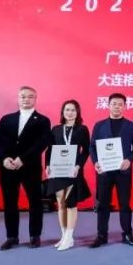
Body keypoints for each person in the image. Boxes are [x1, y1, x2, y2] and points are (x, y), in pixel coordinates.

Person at [0, 86, 52, 250]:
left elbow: (42, 143)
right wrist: (3, 158)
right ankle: (12, 237)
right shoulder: (7, 119)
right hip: (8, 168)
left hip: (30, 167)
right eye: (23, 96)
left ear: (35, 99)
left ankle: (35, 236)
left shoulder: (42, 120)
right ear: (18, 99)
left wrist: (23, 159)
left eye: (30, 96)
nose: (26, 99)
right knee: (10, 202)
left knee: (35, 201)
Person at [89, 93, 133, 248]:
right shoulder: (99, 125)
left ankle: (127, 234)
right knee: (102, 204)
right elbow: (92, 147)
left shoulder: (131, 126)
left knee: (124, 204)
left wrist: (129, 160)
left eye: (120, 104)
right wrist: (96, 162)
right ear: (108, 105)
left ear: (124, 106)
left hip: (123, 171)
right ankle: (101, 235)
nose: (117, 107)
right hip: (104, 171)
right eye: (114, 104)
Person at [44, 100, 91, 251]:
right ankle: (64, 235)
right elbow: (49, 150)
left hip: (73, 170)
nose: (69, 113)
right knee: (60, 203)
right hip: (58, 170)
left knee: (71, 203)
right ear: (62, 112)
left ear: (77, 113)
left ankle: (70, 236)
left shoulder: (82, 129)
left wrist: (78, 166)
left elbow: (87, 151)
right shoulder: (56, 129)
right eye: (67, 110)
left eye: (73, 110)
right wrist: (47, 166)